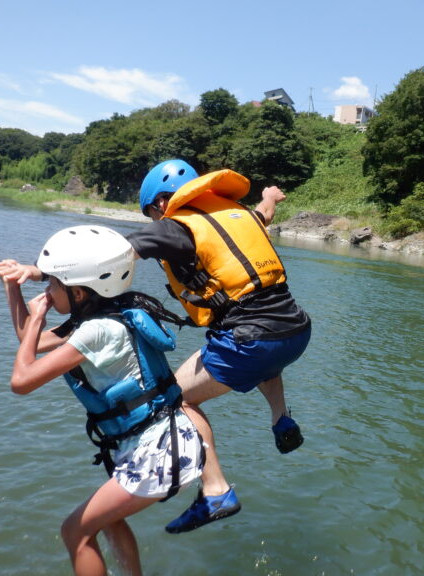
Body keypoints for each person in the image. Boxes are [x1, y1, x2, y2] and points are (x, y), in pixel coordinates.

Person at [0, 225, 205, 576]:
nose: (47, 290)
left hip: (156, 454)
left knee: (74, 531)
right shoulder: (109, 313)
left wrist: (37, 319)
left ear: (78, 292)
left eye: (53, 284)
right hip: (168, 443)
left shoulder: (94, 332)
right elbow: (27, 339)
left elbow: (21, 380)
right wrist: (13, 290)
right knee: (108, 521)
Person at [128, 159, 312, 534]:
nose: (155, 223)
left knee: (175, 398)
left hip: (251, 339)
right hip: (295, 330)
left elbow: (113, 251)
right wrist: (270, 196)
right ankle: (281, 418)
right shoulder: (236, 213)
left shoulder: (176, 227)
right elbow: (264, 215)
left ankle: (215, 490)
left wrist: (41, 271)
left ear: (162, 202)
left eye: (152, 213)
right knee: (265, 359)